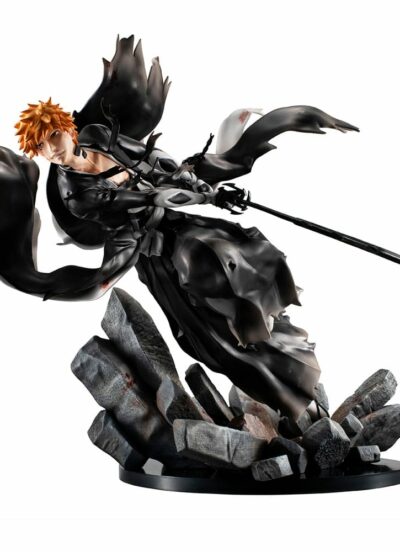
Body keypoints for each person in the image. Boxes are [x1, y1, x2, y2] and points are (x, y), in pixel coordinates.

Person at [1, 36, 359, 419]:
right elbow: (147, 199)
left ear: (67, 128)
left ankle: (273, 334)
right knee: (213, 324)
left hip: (179, 220)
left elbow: (153, 161)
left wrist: (196, 181)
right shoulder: (73, 192)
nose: (53, 149)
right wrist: (203, 195)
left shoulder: (98, 136)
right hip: (148, 246)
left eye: (54, 136)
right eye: (41, 147)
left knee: (238, 256)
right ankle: (275, 382)